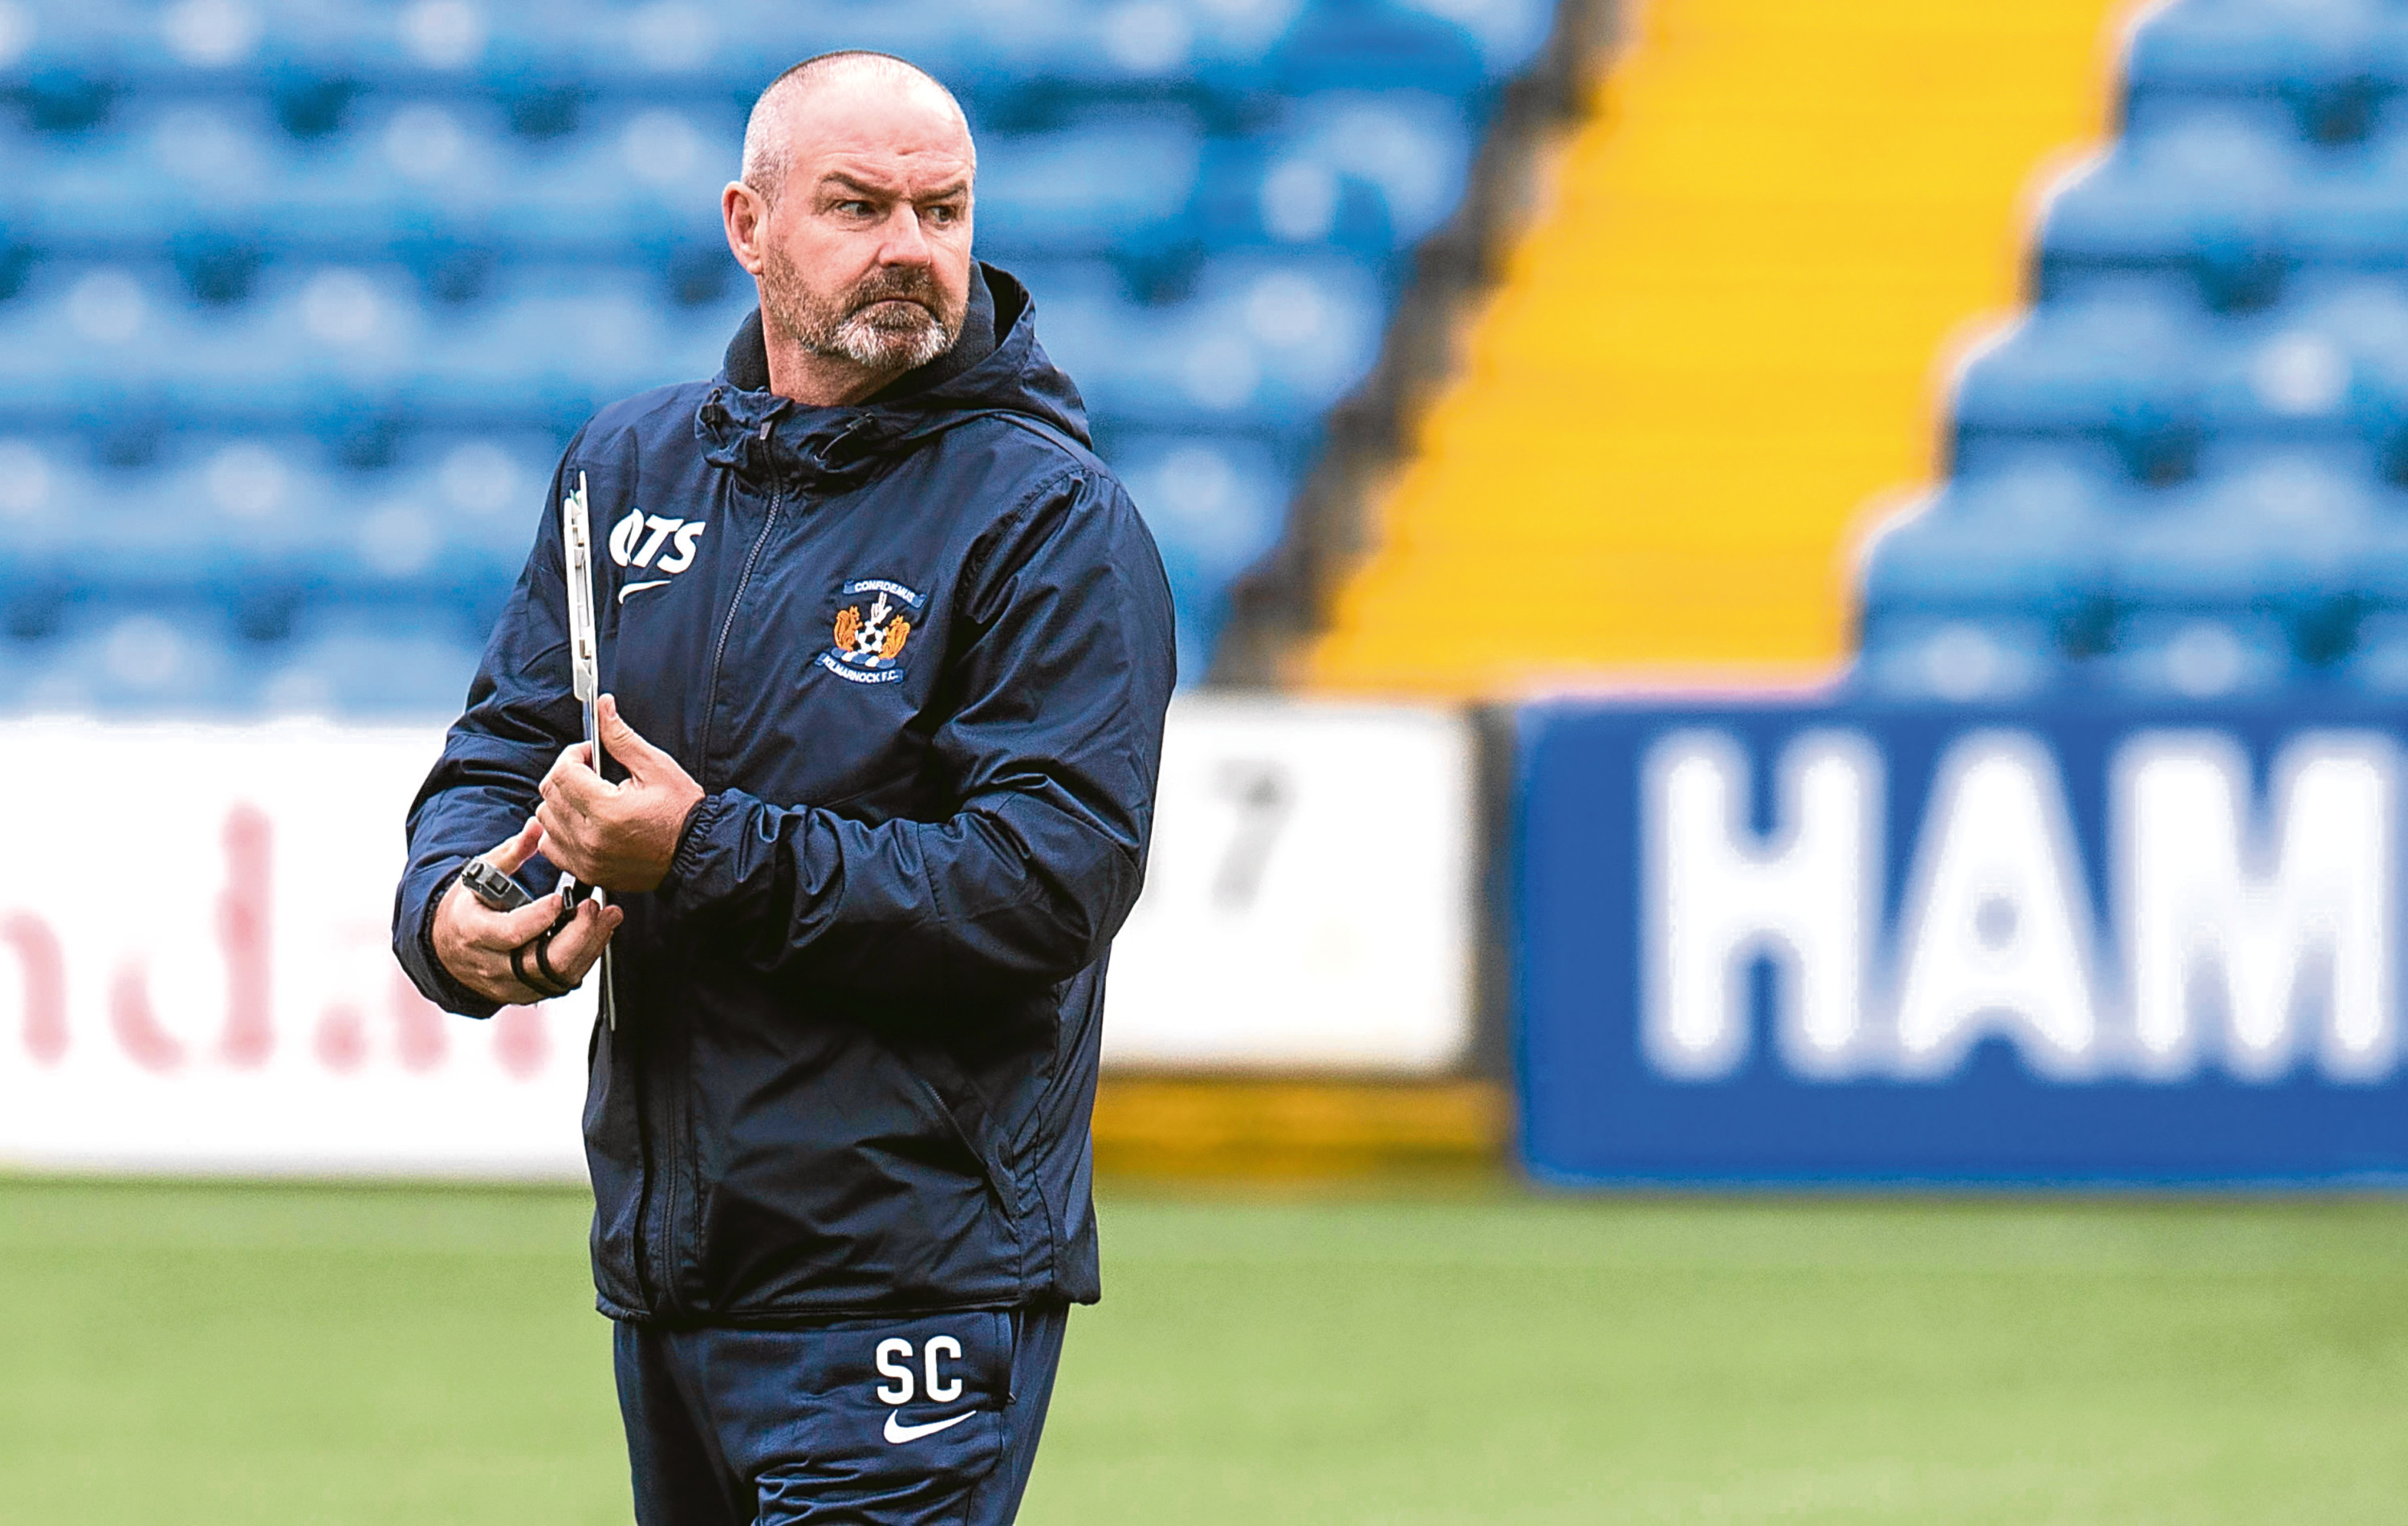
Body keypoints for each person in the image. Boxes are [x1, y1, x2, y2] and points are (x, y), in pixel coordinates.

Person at [390, 51, 1177, 1525]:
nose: (909, 250)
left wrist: (698, 851)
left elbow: (1042, 887)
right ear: (750, 225)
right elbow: (504, 743)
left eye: (942, 213)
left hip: (911, 1273)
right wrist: (453, 913)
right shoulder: (628, 466)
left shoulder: (1051, 519)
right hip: (675, 1268)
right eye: (859, 206)